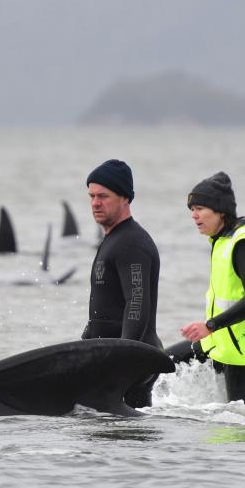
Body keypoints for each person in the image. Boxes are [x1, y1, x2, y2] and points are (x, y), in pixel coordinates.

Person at [169, 172, 245, 404]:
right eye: (191, 209)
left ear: (220, 210)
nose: (194, 215)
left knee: (242, 429)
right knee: (160, 363)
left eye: (199, 208)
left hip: (244, 351)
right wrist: (211, 330)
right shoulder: (221, 241)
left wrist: (210, 325)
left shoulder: (244, 242)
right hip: (219, 342)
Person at [82, 159, 163, 408]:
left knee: (127, 440)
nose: (95, 203)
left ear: (125, 198)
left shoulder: (131, 244)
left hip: (130, 364)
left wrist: (123, 358)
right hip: (113, 358)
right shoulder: (114, 239)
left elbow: (137, 302)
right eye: (91, 196)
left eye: (103, 196)